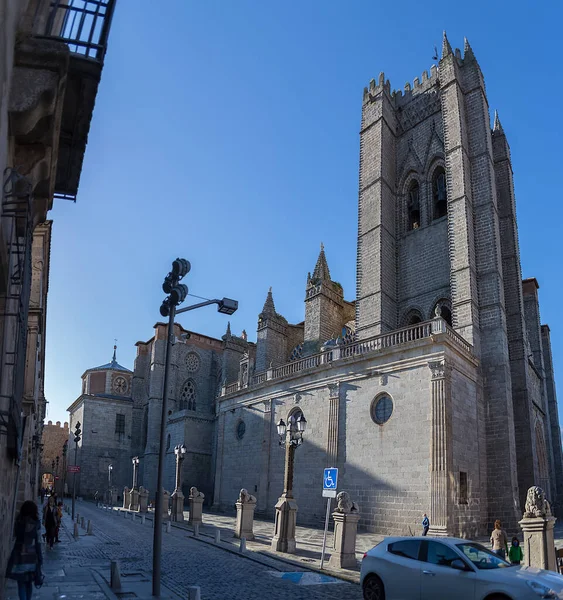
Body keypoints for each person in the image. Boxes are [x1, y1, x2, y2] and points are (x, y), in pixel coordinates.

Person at [6, 500, 43, 600]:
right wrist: (40, 558)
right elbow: (38, 542)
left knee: (21, 583)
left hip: (18, 555)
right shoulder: (36, 523)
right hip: (31, 556)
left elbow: (15, 536)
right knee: (28, 583)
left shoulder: (18, 522)